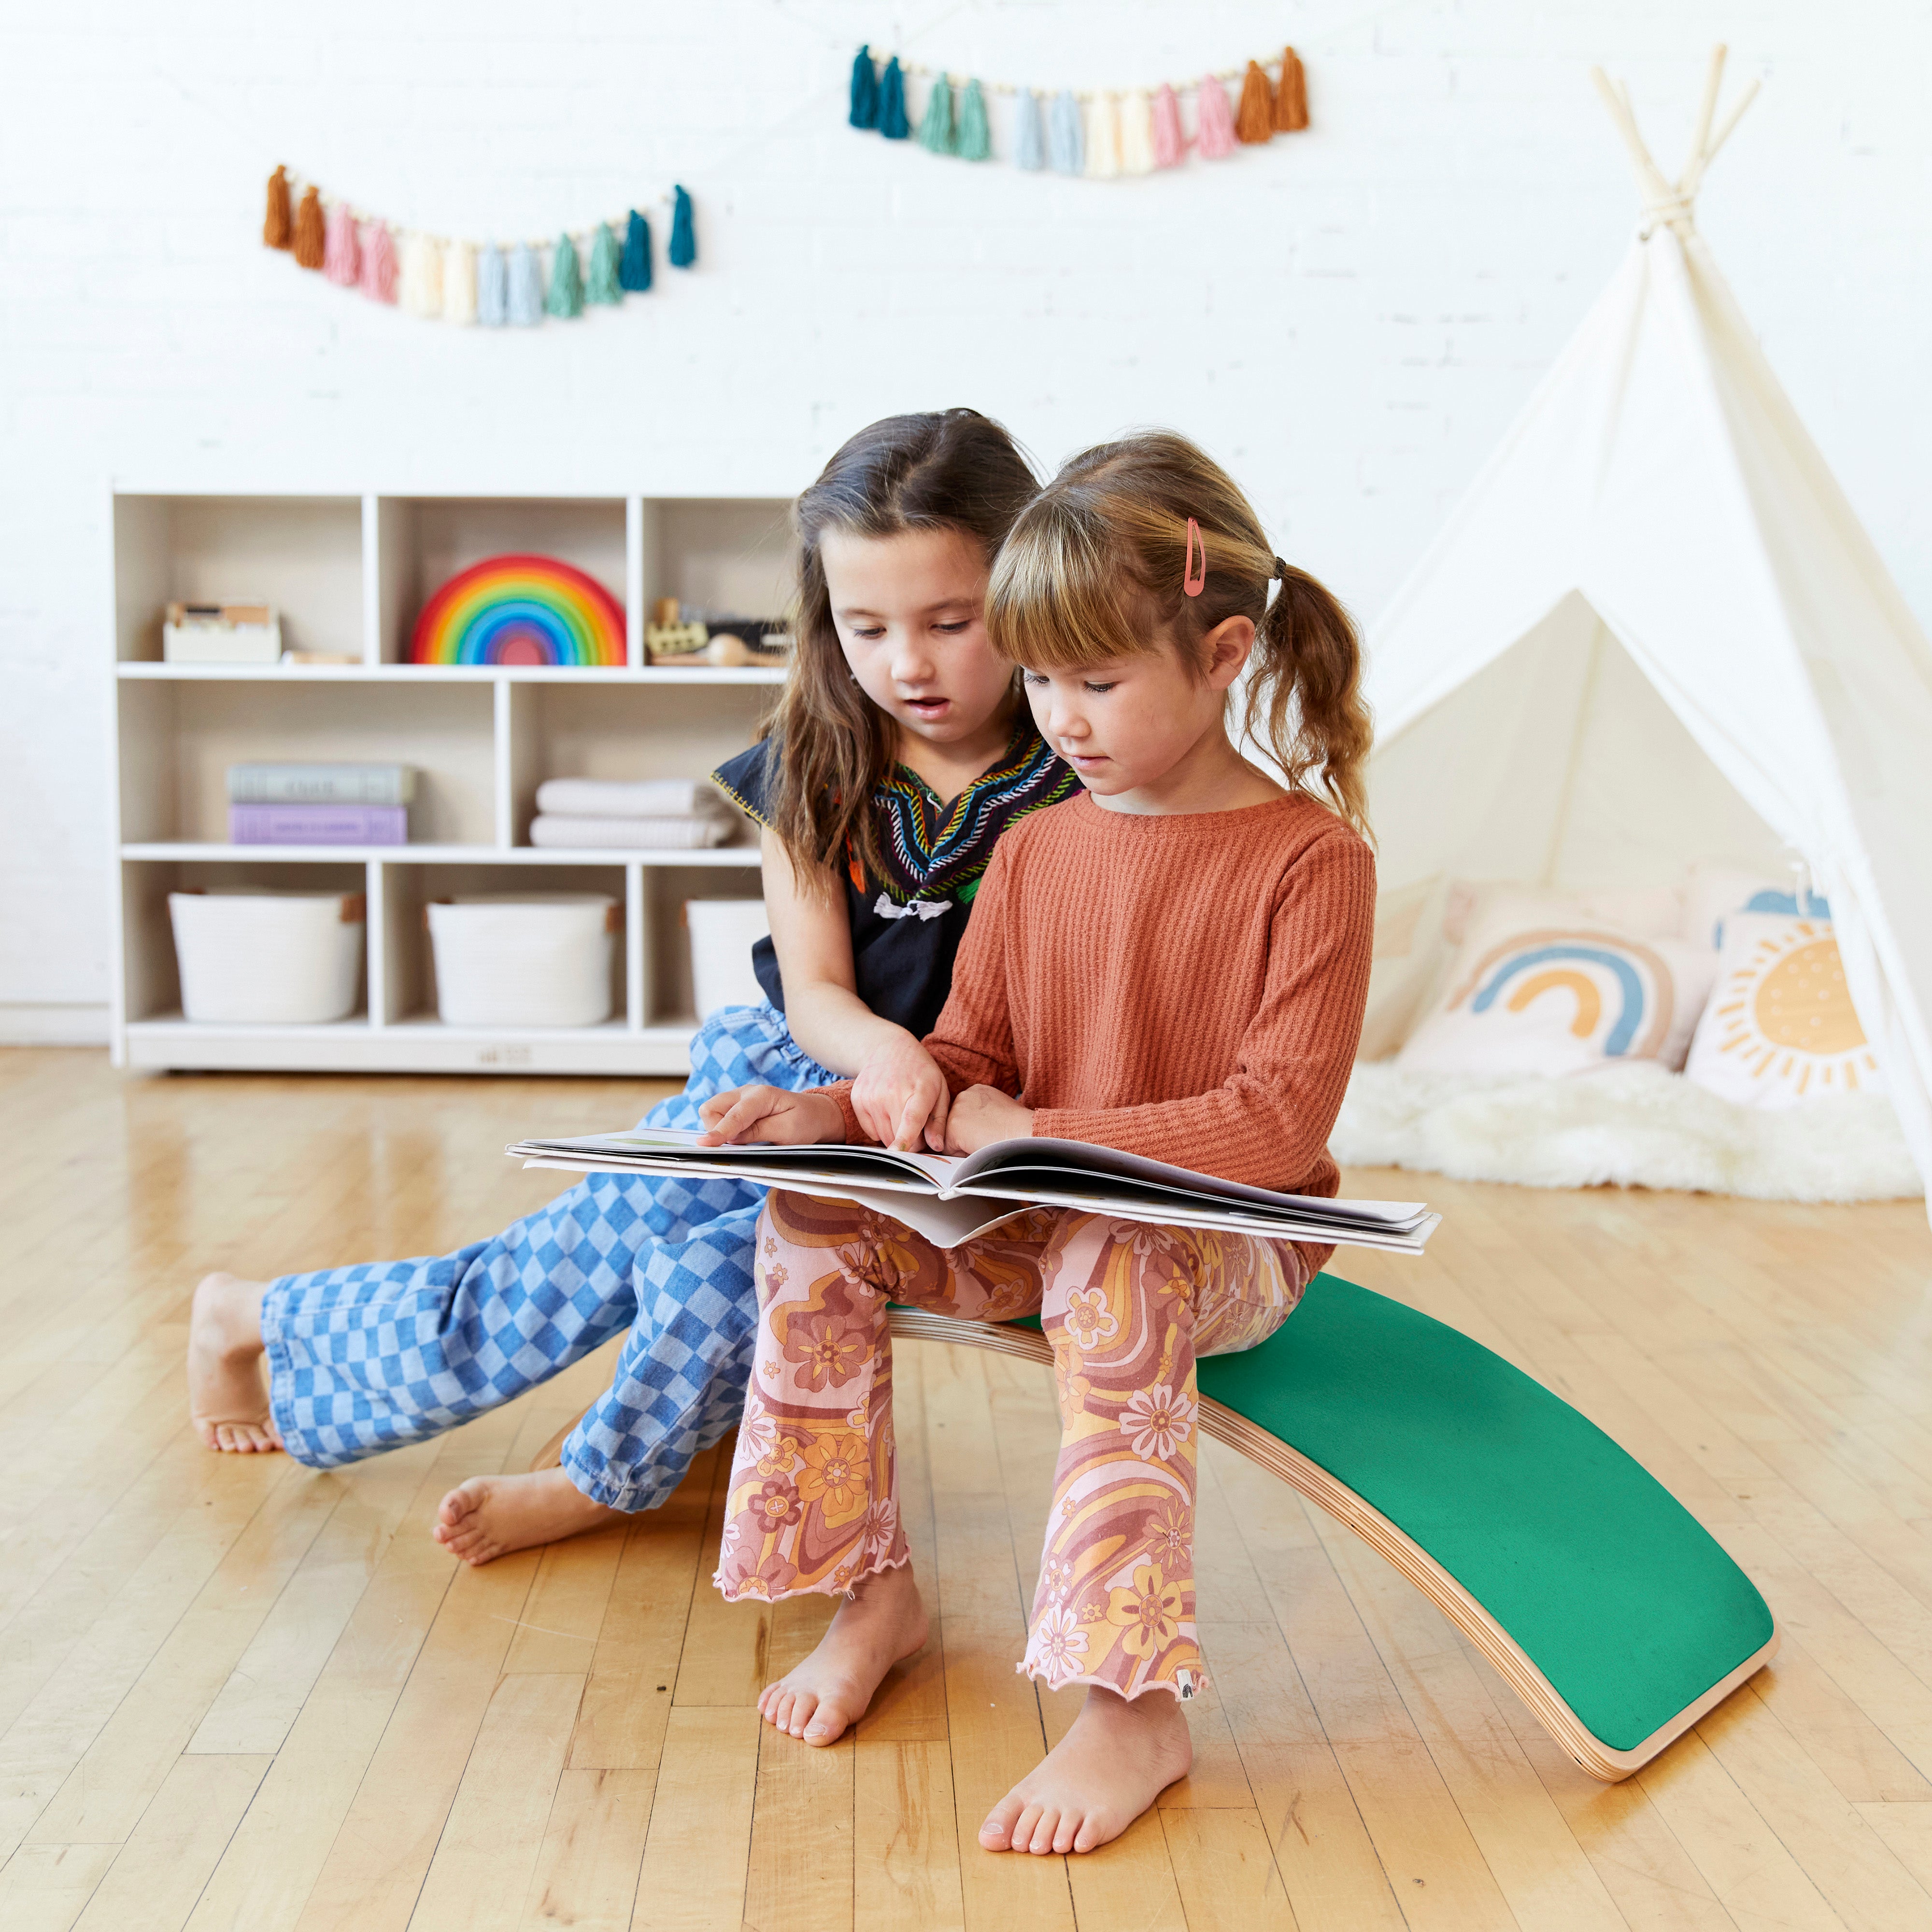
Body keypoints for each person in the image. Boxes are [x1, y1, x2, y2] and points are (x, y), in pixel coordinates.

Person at [185, 408, 1078, 1567]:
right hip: (790, 1084)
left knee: (710, 1281)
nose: (907, 662)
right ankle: (253, 1314)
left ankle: (596, 1475)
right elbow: (812, 991)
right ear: (825, 619)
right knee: (562, 1265)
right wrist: (886, 1054)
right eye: (866, 626)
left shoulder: (1076, 762)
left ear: (1025, 590)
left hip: (939, 1134)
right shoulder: (814, 761)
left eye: (950, 622)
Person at [697, 430, 1377, 1856]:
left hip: (1223, 1242)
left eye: (1101, 681)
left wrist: (1038, 1129)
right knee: (811, 1221)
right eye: (1045, 677)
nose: (1060, 718)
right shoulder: (1039, 844)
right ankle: (868, 1591)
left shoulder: (1314, 861)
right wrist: (838, 1113)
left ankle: (1132, 1703)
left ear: (1226, 652)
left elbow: (1274, 1123)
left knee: (1115, 1257)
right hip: (1040, 1212)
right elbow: (975, 1055)